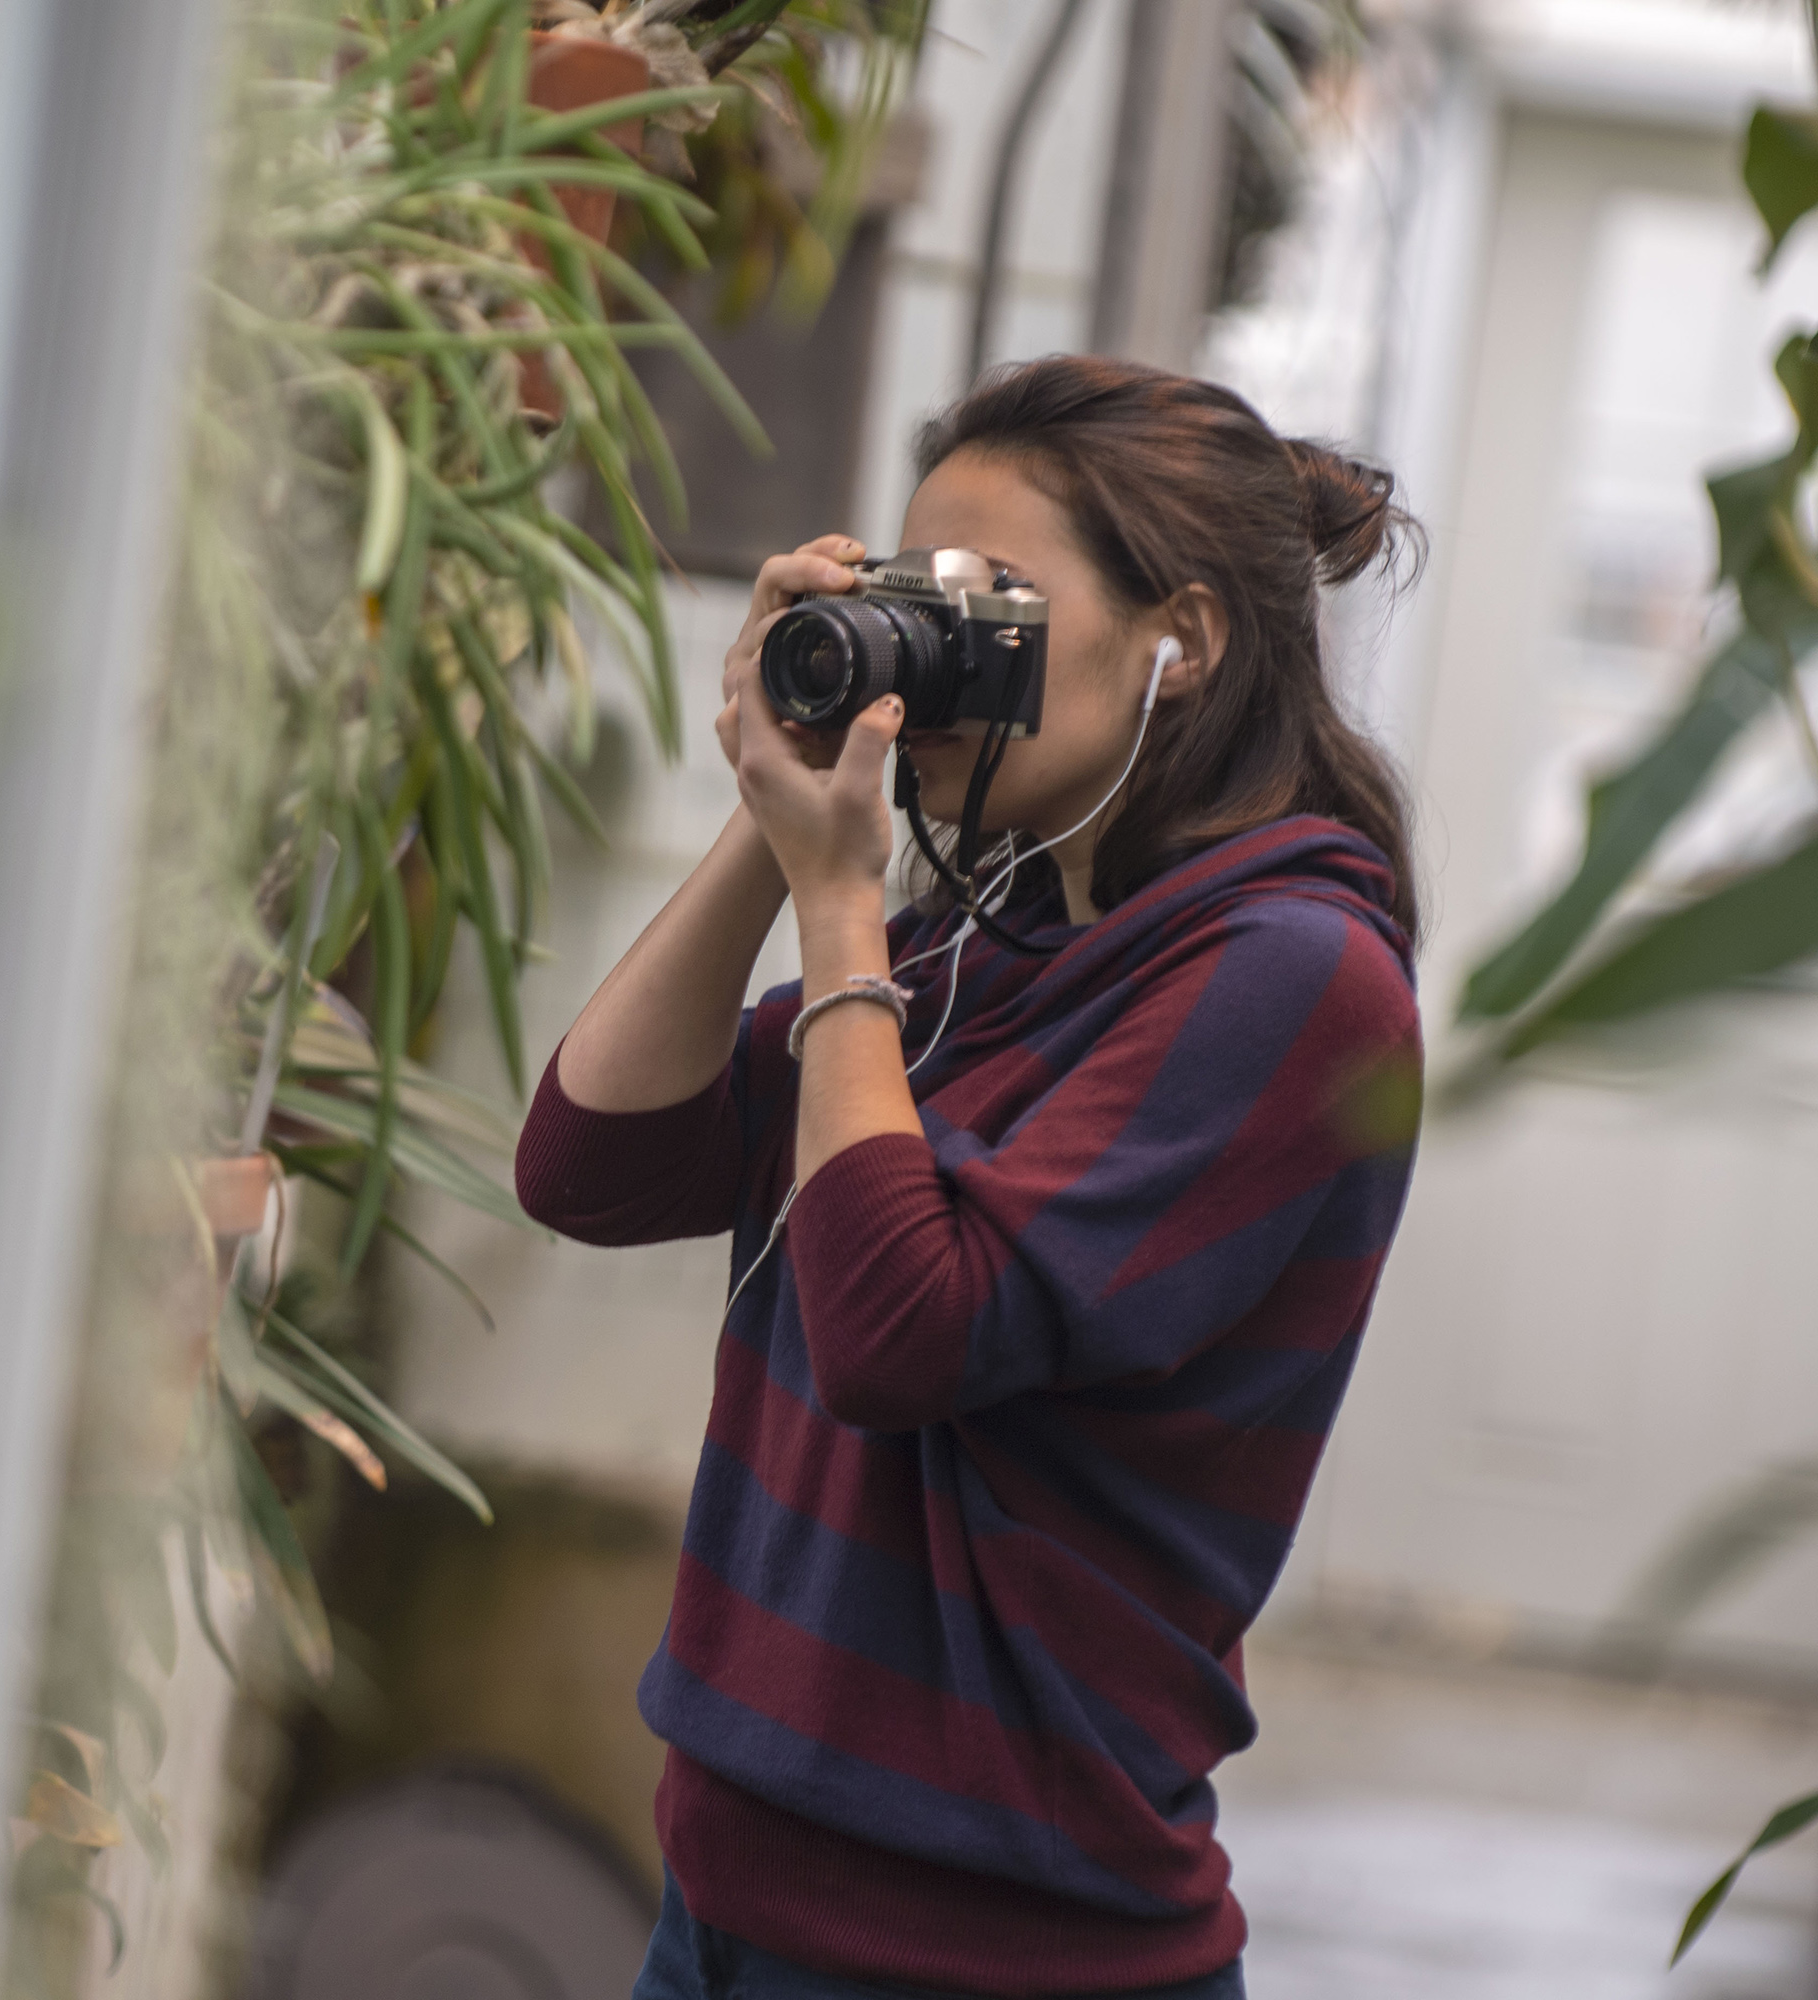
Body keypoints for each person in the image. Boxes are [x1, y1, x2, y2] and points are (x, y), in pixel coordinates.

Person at [514, 355, 1428, 2000]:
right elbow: (589, 1157)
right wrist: (773, 815)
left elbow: (901, 1335)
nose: (937, 659)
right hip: (726, 1904)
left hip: (988, 1954)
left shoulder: (1294, 980)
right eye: (916, 599)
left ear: (1186, 642)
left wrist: (842, 906)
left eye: (989, 605)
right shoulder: (971, 946)